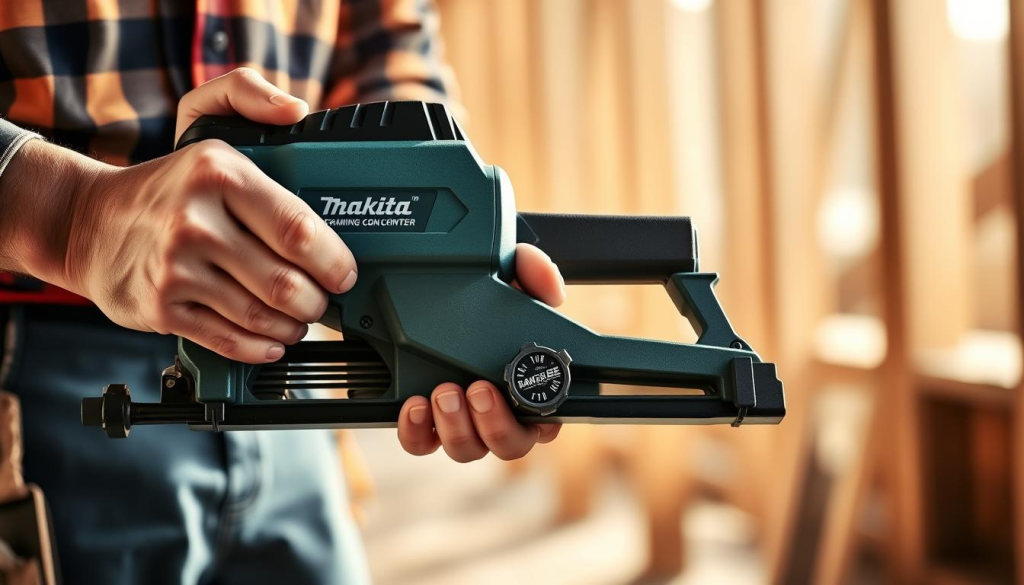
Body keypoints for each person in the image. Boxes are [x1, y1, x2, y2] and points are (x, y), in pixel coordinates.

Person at [0, 2, 563, 583]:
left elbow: (386, 40)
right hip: (38, 370)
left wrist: (431, 233)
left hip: (295, 365)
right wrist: (70, 219)